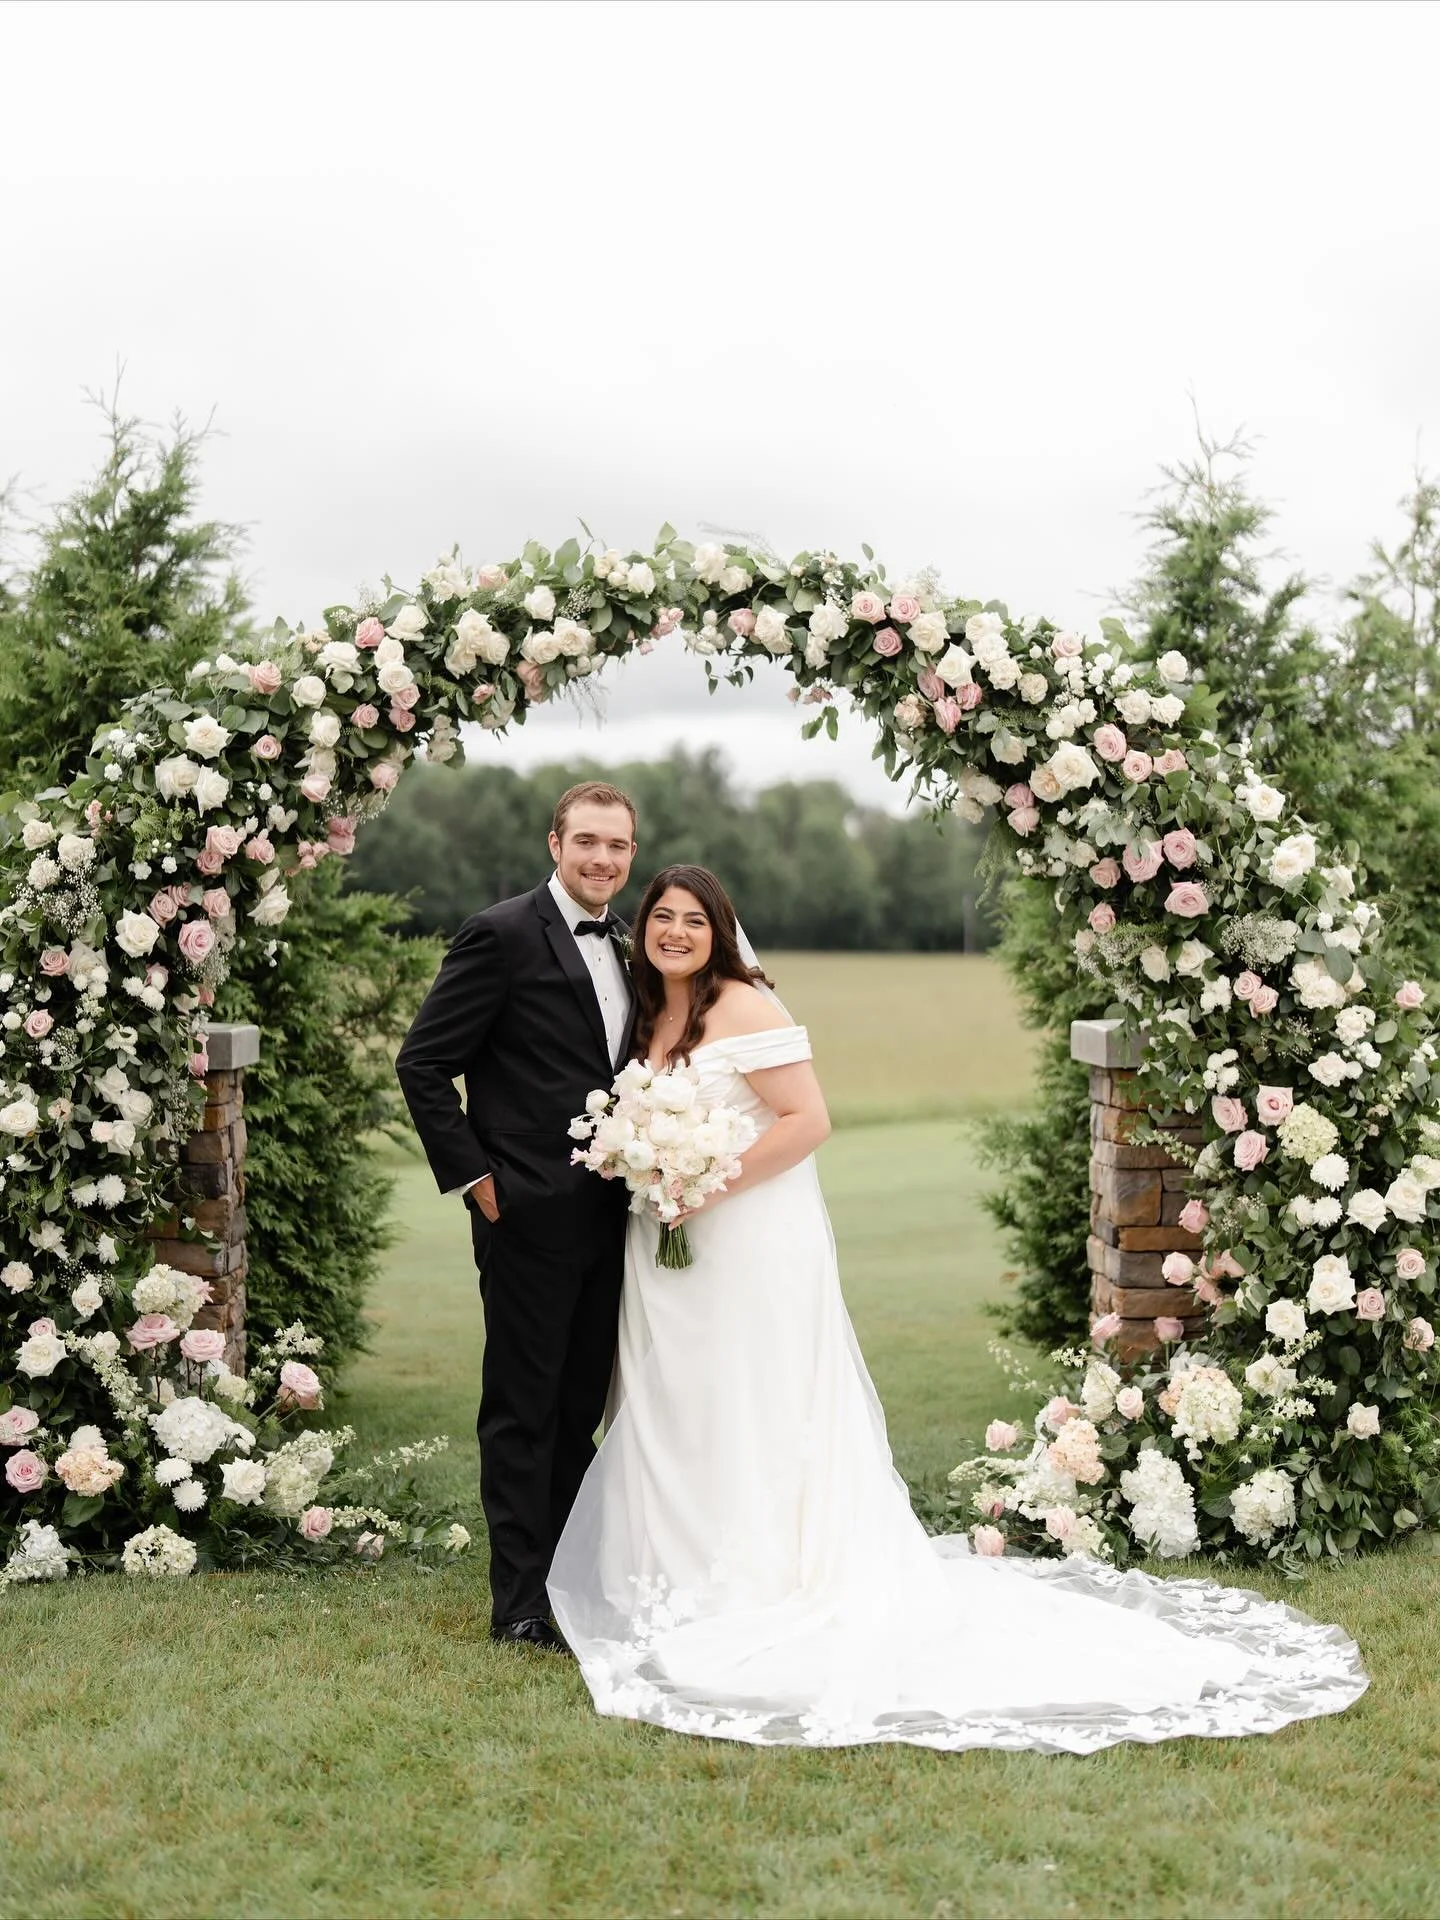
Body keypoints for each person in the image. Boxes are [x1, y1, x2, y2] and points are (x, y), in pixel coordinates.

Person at [547, 865, 1368, 1751]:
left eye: (693, 920)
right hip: (666, 1247)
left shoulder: (745, 1006)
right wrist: (653, 1168)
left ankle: (757, 1578)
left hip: (741, 1240)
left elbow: (808, 1120)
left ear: (720, 932)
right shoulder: (649, 1014)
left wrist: (705, 1183)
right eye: (662, 917)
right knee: (682, 1402)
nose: (674, 932)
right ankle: (672, 1569)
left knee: (753, 1399)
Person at [395, 781, 637, 1650]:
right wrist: (477, 1181)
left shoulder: (633, 942)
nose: (602, 858)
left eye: (617, 845)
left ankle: (573, 1583)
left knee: (580, 1407)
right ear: (555, 844)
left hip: (619, 1218)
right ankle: (521, 1602)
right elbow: (423, 1063)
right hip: (526, 1214)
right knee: (522, 1408)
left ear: (631, 854)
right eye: (587, 841)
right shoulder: (498, 934)